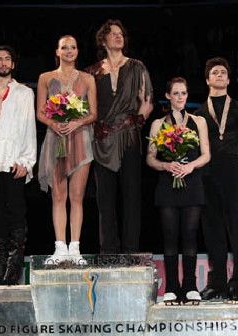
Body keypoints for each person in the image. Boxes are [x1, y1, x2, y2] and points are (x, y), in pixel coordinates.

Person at [87, 19, 153, 254]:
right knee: (104, 199)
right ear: (103, 40)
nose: (118, 37)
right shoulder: (92, 72)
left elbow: (146, 101)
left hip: (129, 137)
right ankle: (108, 251)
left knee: (131, 196)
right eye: (113, 34)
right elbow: (88, 106)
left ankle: (131, 251)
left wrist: (137, 122)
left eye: (121, 34)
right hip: (102, 139)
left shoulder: (136, 66)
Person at [196, 57, 238, 301]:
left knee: (237, 231)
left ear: (229, 79)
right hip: (206, 178)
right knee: (212, 232)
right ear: (208, 79)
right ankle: (217, 283)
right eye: (215, 72)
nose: (219, 75)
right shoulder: (199, 114)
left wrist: (236, 174)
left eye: (223, 72)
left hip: (232, 175)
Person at [147, 77, 210, 304]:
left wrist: (190, 166)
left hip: (192, 184)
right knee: (170, 236)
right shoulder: (157, 124)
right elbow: (150, 158)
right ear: (168, 96)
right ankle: (172, 286)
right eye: (176, 93)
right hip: (167, 186)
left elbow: (206, 154)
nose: (180, 97)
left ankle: (191, 285)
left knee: (190, 235)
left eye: (183, 93)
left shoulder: (198, 121)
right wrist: (166, 165)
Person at [0, 45, 37, 286]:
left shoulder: (24, 93)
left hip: (14, 160)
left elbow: (29, 128)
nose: (2, 63)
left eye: (7, 59)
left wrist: (27, 161)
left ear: (13, 64)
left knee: (15, 214)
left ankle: (14, 266)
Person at [37, 35, 97, 264]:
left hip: (80, 139)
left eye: (73, 47)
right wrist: (55, 123)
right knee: (58, 195)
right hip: (56, 139)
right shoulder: (45, 78)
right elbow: (40, 112)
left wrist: (76, 122)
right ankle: (60, 247)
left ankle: (75, 248)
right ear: (57, 51)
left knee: (77, 196)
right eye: (64, 47)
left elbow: (93, 113)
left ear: (78, 51)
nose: (69, 51)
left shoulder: (88, 79)